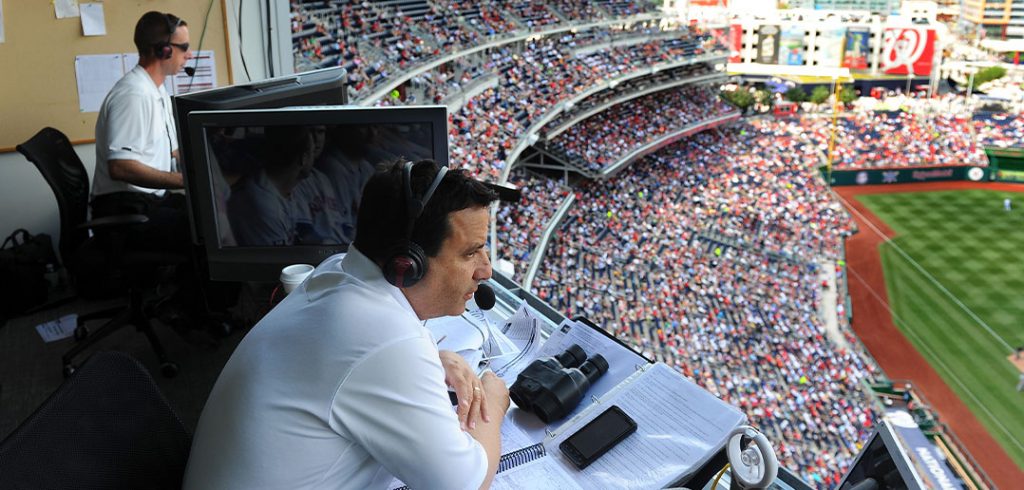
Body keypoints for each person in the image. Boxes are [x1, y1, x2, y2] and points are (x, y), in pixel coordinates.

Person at [184, 160, 510, 489]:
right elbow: (465, 484)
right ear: (407, 264)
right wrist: (494, 403)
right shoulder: (388, 344)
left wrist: (432, 358)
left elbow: (351, 358)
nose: (486, 271)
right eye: (471, 253)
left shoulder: (335, 270)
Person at [91, 11, 192, 242]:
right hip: (124, 210)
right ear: (164, 50)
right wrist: (184, 181)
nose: (189, 55)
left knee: (212, 211)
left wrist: (213, 166)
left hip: (149, 200)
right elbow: (121, 167)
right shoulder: (133, 95)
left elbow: (172, 151)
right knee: (204, 228)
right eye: (184, 47)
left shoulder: (157, 90)